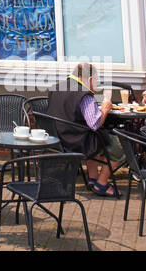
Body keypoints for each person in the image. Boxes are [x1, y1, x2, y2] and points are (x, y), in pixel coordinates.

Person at [47, 61, 126, 196]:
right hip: (76, 142)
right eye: (95, 81)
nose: (96, 85)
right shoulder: (84, 94)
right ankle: (101, 184)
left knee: (95, 135)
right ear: (89, 79)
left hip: (57, 138)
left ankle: (92, 178)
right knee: (121, 144)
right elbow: (95, 123)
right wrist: (106, 109)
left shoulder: (56, 88)